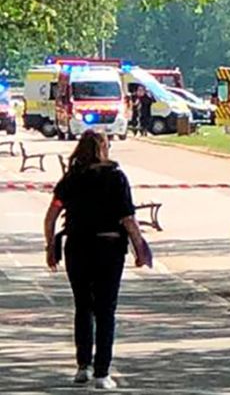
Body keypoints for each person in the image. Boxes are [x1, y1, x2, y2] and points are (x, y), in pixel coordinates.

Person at [43, 130, 152, 390]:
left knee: (83, 306)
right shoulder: (116, 178)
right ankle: (102, 373)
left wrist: (50, 245)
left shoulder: (71, 178)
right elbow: (128, 218)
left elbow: (51, 215)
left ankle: (83, 366)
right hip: (109, 247)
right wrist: (140, 248)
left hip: (77, 247)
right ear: (104, 149)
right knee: (105, 309)